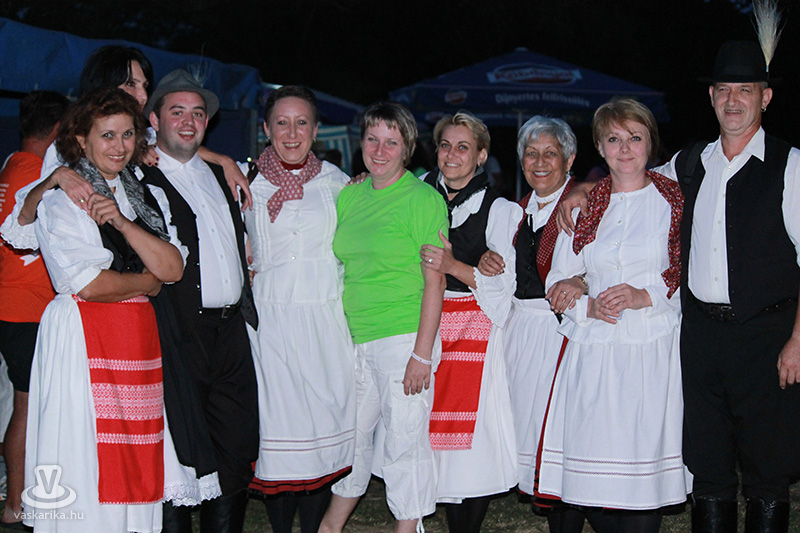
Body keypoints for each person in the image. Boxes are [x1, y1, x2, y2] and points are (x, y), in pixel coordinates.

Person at [24, 88, 184, 532]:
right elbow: (89, 284)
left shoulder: (143, 196)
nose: (119, 146)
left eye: (128, 134)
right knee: (85, 450)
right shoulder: (63, 199)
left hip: (134, 338)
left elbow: (172, 268)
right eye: (107, 135)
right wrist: (145, 283)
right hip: (82, 337)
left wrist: (120, 221)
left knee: (135, 453)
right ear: (82, 140)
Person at [538, 98, 690, 533]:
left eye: (635, 138)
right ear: (600, 148)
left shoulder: (673, 201)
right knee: (596, 475)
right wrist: (588, 305)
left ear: (650, 144)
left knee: (642, 472)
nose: (625, 149)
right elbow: (558, 281)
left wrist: (645, 295)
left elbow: (690, 270)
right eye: (613, 139)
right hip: (596, 351)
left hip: (651, 350)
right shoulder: (584, 206)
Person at [319, 102, 448, 533]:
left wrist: (422, 355)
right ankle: (330, 527)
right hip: (352, 340)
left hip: (403, 338)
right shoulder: (350, 195)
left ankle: (407, 528)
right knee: (349, 441)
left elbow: (436, 281)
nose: (379, 150)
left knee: (404, 445)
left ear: (407, 148)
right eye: (372, 139)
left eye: (391, 142)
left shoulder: (423, 200)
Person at [139, 69, 260, 533]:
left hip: (231, 329)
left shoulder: (220, 173)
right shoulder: (138, 176)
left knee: (236, 443)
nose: (189, 122)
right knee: (180, 448)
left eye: (197, 113)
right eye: (177, 112)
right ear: (154, 121)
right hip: (177, 332)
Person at [0, 45, 251, 253]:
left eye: (145, 86)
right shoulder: (66, 148)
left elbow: (179, 141)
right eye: (131, 84)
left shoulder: (141, 136)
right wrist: (57, 177)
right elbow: (25, 221)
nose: (142, 96)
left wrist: (223, 161)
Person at [241, 86, 355, 533]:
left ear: (316, 129)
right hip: (270, 322)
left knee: (321, 431)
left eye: (302, 122)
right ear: (266, 129)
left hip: (324, 321)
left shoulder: (338, 184)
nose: (292, 133)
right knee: (279, 430)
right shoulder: (244, 183)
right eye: (282, 123)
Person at [477, 115, 586, 533]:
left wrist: (582, 280)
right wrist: (487, 260)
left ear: (569, 159)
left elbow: (607, 261)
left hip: (560, 331)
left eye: (550, 153)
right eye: (531, 153)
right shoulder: (514, 212)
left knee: (559, 432)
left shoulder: (583, 206)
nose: (539, 162)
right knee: (527, 428)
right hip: (519, 331)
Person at [417, 111, 519, 533]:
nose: (452, 155)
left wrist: (455, 266)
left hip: (472, 329)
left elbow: (504, 287)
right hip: (422, 323)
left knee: (470, 445)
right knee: (423, 428)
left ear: (481, 155)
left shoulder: (499, 210)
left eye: (463, 147)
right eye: (445, 145)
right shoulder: (417, 193)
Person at [0, 90, 69, 528]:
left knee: (23, 405)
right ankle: (16, 503)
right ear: (60, 130)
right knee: (27, 408)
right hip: (26, 307)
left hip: (14, 304)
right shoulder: (36, 176)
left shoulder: (12, 164)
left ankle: (17, 497)